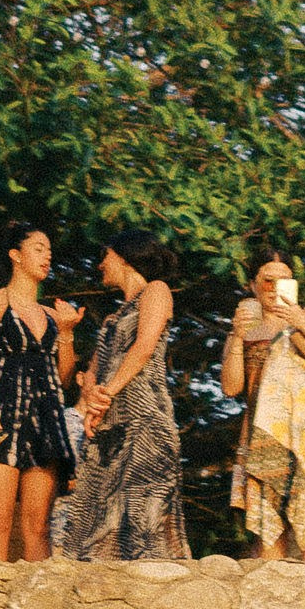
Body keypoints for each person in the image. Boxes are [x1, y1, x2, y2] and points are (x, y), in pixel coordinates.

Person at [0, 224, 83, 563]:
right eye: (39, 248)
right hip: (1, 410)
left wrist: (68, 333)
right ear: (16, 255)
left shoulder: (51, 316)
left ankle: (37, 604)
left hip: (44, 418)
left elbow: (63, 378)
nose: (48, 256)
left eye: (49, 250)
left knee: (38, 525)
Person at [57, 231, 184, 561]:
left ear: (127, 256)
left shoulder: (156, 292)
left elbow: (142, 348)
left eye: (106, 255)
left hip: (146, 422)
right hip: (110, 428)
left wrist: (106, 394)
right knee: (97, 519)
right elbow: (94, 374)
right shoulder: (113, 318)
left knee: (145, 518)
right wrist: (93, 407)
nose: (101, 264)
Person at [222, 252, 305, 561]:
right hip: (262, 434)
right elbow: (231, 387)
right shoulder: (244, 329)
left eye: (284, 279)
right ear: (253, 285)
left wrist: (300, 323)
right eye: (268, 279)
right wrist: (238, 337)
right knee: (269, 523)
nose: (275, 286)